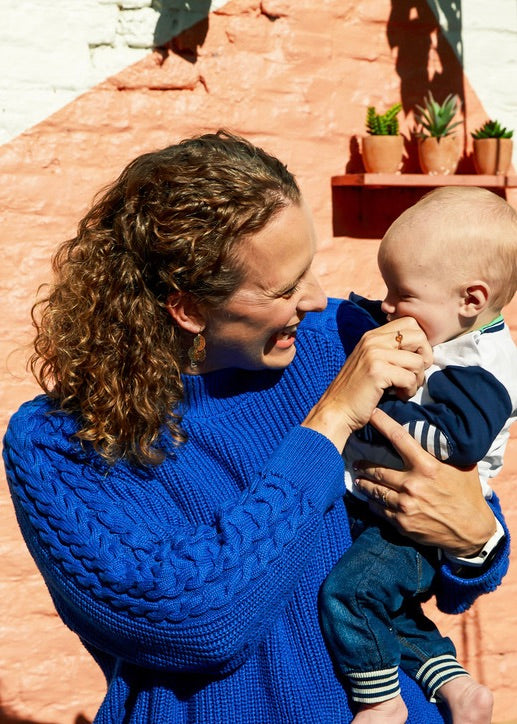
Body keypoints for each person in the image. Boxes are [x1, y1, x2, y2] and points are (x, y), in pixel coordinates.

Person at [3, 132, 509, 724]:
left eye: (310, 269)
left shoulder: (342, 342)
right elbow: (199, 627)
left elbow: (457, 538)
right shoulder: (60, 444)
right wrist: (328, 424)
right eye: (284, 287)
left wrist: (479, 541)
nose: (318, 299)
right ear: (188, 307)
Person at [320, 186, 517, 723]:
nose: (388, 305)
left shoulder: (483, 366)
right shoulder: (453, 334)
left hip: (414, 528)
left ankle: (380, 701)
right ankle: (456, 687)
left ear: (470, 300)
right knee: (397, 613)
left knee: (351, 595)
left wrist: (377, 409)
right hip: (398, 520)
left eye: (401, 292)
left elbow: (458, 442)